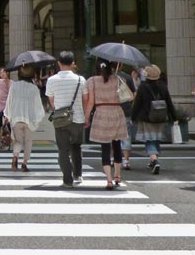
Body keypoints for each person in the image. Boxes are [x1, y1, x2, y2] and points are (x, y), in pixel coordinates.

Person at [44, 52, 88, 188]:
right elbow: (85, 100)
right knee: (76, 146)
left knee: (63, 150)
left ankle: (67, 180)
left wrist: (59, 108)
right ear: (73, 63)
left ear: (59, 63)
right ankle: (78, 174)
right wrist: (86, 115)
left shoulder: (51, 80)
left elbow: (51, 101)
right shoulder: (81, 80)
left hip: (60, 119)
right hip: (78, 118)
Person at [86, 62, 130, 190]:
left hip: (101, 113)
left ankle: (109, 179)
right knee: (117, 146)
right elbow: (129, 96)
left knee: (105, 147)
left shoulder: (92, 81)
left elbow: (90, 102)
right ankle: (118, 176)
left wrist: (87, 117)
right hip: (116, 112)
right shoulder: (117, 79)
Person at [130, 65, 177, 174]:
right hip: (160, 117)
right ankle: (153, 160)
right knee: (156, 139)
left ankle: (154, 160)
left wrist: (133, 117)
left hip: (147, 117)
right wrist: (174, 117)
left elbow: (137, 104)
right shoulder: (163, 86)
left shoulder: (143, 87)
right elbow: (169, 103)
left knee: (149, 140)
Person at [4, 67, 45, 171]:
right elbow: (38, 105)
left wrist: (7, 115)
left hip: (16, 118)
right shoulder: (34, 88)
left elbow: (9, 101)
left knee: (18, 141)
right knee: (28, 142)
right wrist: (38, 118)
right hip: (30, 119)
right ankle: (24, 164)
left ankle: (15, 157)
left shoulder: (14, 86)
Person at [116, 65, 137, 169]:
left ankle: (111, 158)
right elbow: (133, 93)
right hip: (126, 109)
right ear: (120, 65)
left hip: (112, 109)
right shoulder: (128, 77)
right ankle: (126, 160)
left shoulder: (108, 77)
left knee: (112, 135)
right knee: (126, 134)